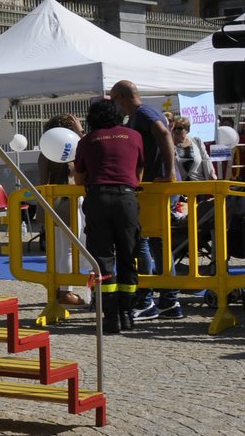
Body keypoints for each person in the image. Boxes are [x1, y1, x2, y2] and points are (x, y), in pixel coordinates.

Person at [74, 99, 145, 334]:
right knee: (128, 255)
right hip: (127, 198)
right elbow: (139, 170)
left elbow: (79, 178)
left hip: (98, 198)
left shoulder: (87, 141)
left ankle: (110, 317)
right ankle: (127, 314)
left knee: (102, 258)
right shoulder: (134, 136)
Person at [109, 80, 173, 318]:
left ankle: (146, 299)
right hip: (151, 185)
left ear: (122, 97)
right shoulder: (139, 115)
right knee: (158, 244)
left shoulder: (144, 113)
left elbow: (164, 133)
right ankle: (169, 299)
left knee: (143, 241)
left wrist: (170, 172)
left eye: (114, 100)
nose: (115, 106)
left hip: (154, 186)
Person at [38, 113, 89, 307]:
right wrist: (80, 132)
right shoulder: (71, 149)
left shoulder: (45, 150)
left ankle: (58, 288)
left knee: (58, 250)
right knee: (67, 250)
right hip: (67, 202)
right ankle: (66, 292)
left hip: (51, 201)